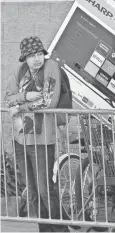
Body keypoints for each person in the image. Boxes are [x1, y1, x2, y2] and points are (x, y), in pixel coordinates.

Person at [4, 36, 69, 232]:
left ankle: (60, 230)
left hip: (42, 141)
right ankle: (45, 229)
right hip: (21, 139)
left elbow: (48, 102)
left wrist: (21, 105)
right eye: (32, 55)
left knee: (45, 190)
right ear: (25, 58)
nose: (37, 59)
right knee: (31, 192)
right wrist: (25, 96)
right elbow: (8, 100)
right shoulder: (19, 71)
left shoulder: (51, 68)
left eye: (39, 54)